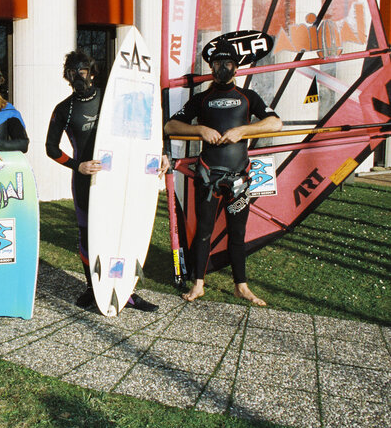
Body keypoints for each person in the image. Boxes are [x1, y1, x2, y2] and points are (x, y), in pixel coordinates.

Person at [164, 39, 282, 306]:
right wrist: (200, 130)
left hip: (239, 177)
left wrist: (243, 130)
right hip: (207, 176)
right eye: (217, 64)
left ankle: (241, 286)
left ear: (236, 68)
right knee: (203, 231)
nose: (222, 68)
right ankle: (198, 284)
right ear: (211, 66)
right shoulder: (201, 99)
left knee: (237, 234)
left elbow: (276, 123)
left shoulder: (248, 98)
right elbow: (170, 126)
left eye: (228, 63)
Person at [45, 51, 161, 312]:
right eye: (73, 73)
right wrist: (78, 165)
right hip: (87, 181)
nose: (78, 77)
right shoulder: (64, 109)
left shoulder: (113, 100)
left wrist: (159, 156)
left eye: (83, 71)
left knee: (123, 231)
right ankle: (93, 287)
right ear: (67, 76)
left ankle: (127, 292)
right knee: (89, 235)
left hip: (119, 180)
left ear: (93, 72)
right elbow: (51, 148)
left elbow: (143, 128)